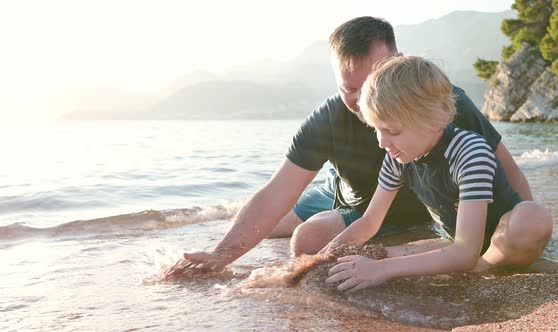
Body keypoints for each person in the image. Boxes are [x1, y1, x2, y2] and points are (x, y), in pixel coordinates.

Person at [164, 16, 533, 276]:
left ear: (398, 63)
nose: (359, 101)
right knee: (262, 223)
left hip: (411, 206)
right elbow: (276, 192)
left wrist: (522, 231)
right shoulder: (329, 118)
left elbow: (505, 169)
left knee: (306, 236)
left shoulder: (440, 103)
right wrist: (220, 256)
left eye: (370, 82)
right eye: (347, 88)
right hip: (348, 195)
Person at [325, 56, 552, 291]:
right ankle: (467, 262)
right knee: (362, 253)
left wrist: (383, 269)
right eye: (377, 130)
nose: (382, 142)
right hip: (456, 242)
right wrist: (327, 254)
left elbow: (465, 252)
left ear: (433, 120)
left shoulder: (469, 151)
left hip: (499, 243)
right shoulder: (398, 156)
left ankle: (484, 267)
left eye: (392, 130)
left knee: (531, 215)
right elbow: (370, 221)